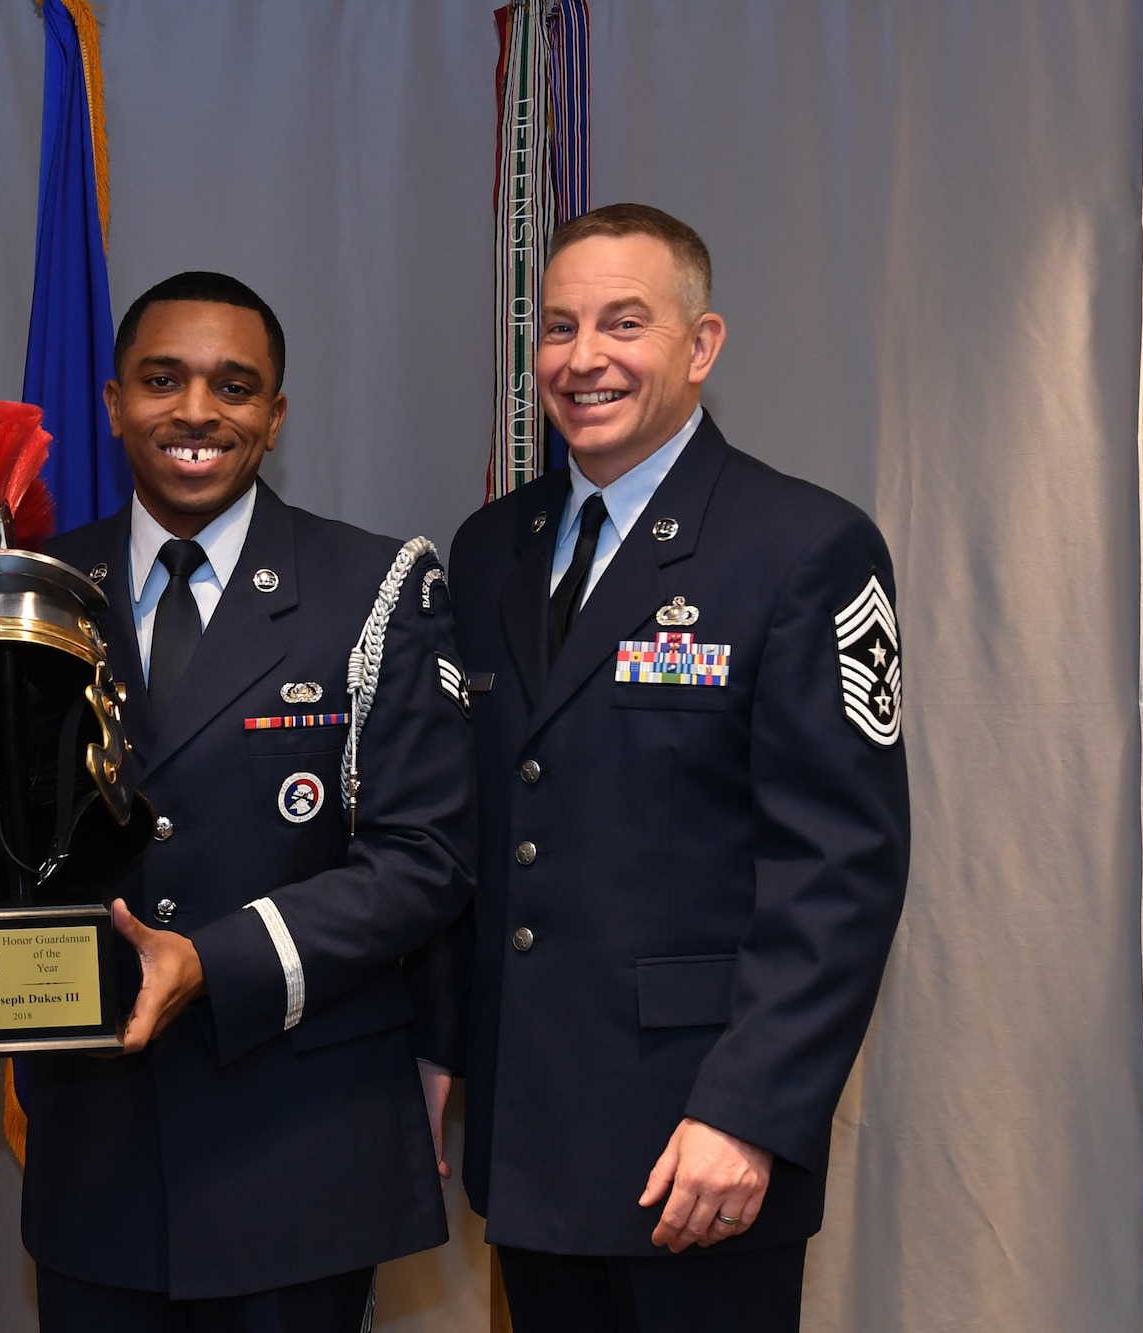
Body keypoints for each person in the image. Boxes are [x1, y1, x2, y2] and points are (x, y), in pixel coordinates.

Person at [0, 271, 478, 1330]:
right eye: (163, 380)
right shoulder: (28, 592)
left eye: (233, 385)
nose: (197, 412)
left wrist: (212, 960)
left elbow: (422, 859)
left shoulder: (373, 584)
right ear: (112, 402)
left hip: (298, 1143)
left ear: (274, 415)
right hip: (96, 1150)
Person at [424, 203, 910, 1331]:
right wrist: (439, 1046)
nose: (581, 358)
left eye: (622, 325)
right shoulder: (491, 546)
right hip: (530, 1128)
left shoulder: (801, 547)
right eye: (555, 328)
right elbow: (477, 832)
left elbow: (840, 868)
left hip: (698, 1139)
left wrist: (748, 1114)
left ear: (700, 346)